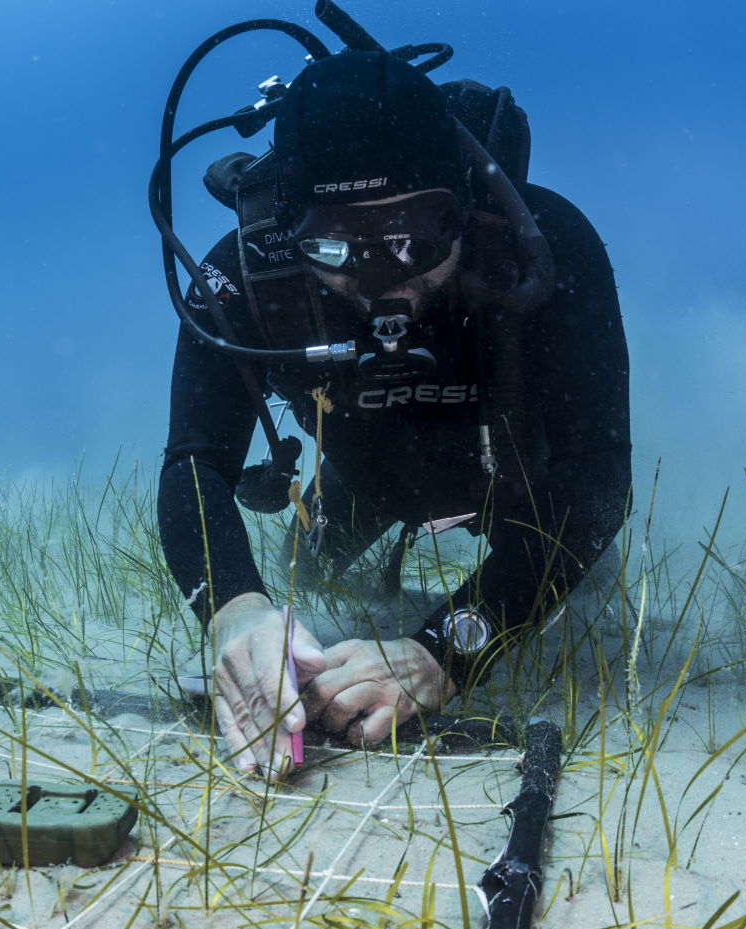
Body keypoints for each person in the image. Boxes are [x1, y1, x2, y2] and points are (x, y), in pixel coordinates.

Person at [158, 48, 630, 777]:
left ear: (465, 206)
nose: (382, 279)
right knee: (301, 572)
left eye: (414, 238)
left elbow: (599, 479)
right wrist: (236, 608)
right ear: (290, 227)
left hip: (519, 485)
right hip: (366, 479)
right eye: (334, 244)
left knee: (582, 587)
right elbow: (193, 460)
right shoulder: (243, 278)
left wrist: (445, 649)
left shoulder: (547, 245)